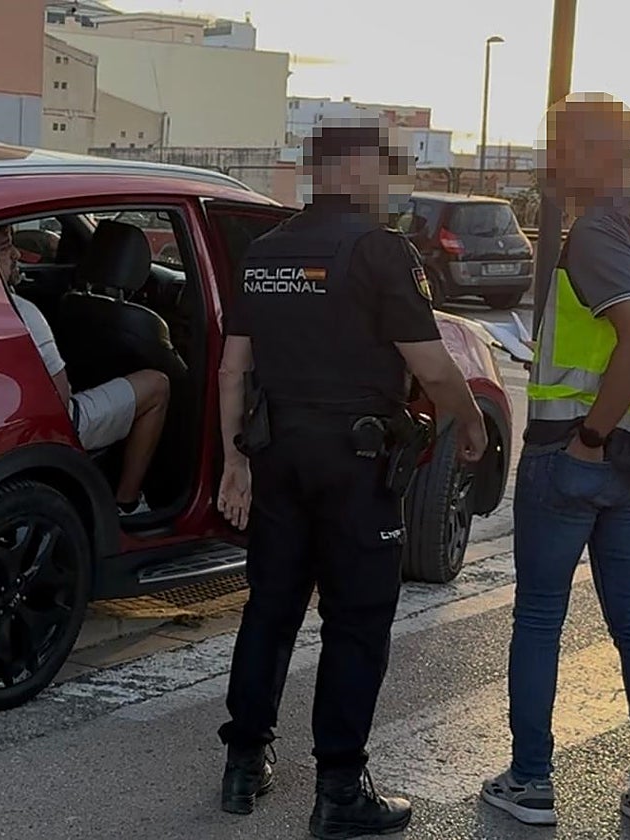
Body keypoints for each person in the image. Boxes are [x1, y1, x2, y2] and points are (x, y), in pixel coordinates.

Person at [214, 120, 488, 839]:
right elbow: (431, 367)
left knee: (270, 608)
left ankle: (244, 764)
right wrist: (473, 422)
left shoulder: (266, 251)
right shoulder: (378, 251)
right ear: (357, 170)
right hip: (356, 463)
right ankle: (340, 791)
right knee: (357, 622)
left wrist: (234, 460)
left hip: (278, 456)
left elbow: (232, 369)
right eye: (383, 167)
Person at [480, 93, 630, 839]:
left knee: (538, 621)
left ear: (597, 152)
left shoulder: (600, 230)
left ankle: (530, 782)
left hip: (576, 454)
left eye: (562, 147)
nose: (552, 162)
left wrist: (590, 435)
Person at [0, 224, 169, 517]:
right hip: (49, 429)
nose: (16, 254)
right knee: (157, 385)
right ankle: (127, 504)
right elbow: (61, 405)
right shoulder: (26, 314)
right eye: (6, 247)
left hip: (0, 429)